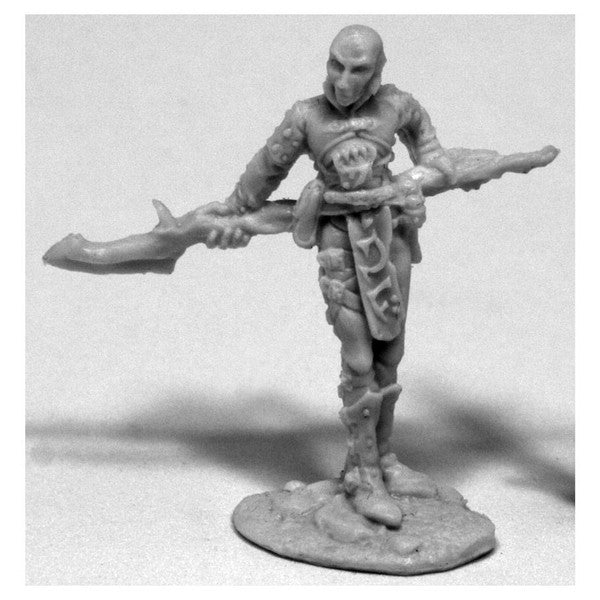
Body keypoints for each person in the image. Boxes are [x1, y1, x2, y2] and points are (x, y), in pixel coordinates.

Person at [222, 25, 457, 528]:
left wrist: (411, 184)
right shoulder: (306, 117)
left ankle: (384, 459)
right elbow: (263, 174)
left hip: (390, 233)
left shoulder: (398, 106)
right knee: (358, 358)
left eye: (358, 70)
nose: (344, 80)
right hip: (339, 241)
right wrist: (233, 216)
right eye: (336, 65)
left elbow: (436, 160)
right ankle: (362, 477)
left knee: (389, 352)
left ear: (377, 72)